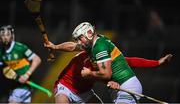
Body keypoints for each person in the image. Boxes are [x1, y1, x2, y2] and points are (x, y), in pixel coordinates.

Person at [44, 22, 172, 103]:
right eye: (77, 40)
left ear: (89, 33)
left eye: (80, 39)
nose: (79, 42)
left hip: (126, 87)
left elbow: (105, 74)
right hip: (116, 88)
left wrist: (90, 73)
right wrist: (55, 47)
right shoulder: (94, 45)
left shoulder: (99, 48)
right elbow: (127, 61)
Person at [53, 50, 172, 103]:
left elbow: (130, 61)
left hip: (85, 91)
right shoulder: (83, 61)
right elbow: (91, 75)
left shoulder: (103, 56)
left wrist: (157, 63)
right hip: (66, 87)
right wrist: (109, 81)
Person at [0, 25, 41, 103]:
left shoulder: (20, 48)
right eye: (2, 35)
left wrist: (27, 74)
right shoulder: (1, 52)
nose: (5, 37)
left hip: (23, 86)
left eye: (7, 35)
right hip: (13, 86)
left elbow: (37, 59)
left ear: (12, 36)